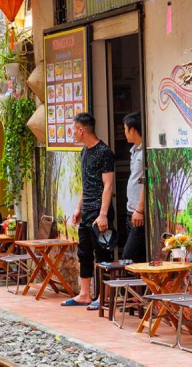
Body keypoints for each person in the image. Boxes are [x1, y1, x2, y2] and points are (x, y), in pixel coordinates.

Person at [62, 113, 116, 309]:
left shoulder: (104, 152)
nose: (73, 133)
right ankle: (85, 294)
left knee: (103, 254)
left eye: (74, 130)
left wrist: (103, 214)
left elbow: (108, 185)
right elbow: (85, 184)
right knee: (84, 252)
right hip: (86, 211)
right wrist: (78, 208)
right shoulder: (84, 152)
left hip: (99, 211)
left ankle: (104, 297)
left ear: (81, 130)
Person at [123, 112, 146, 263]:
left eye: (125, 129)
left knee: (129, 255)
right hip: (130, 210)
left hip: (138, 211)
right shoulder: (134, 151)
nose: (124, 132)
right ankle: (141, 286)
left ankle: (133, 287)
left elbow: (146, 181)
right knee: (137, 258)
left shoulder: (145, 152)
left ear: (133, 130)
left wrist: (140, 209)